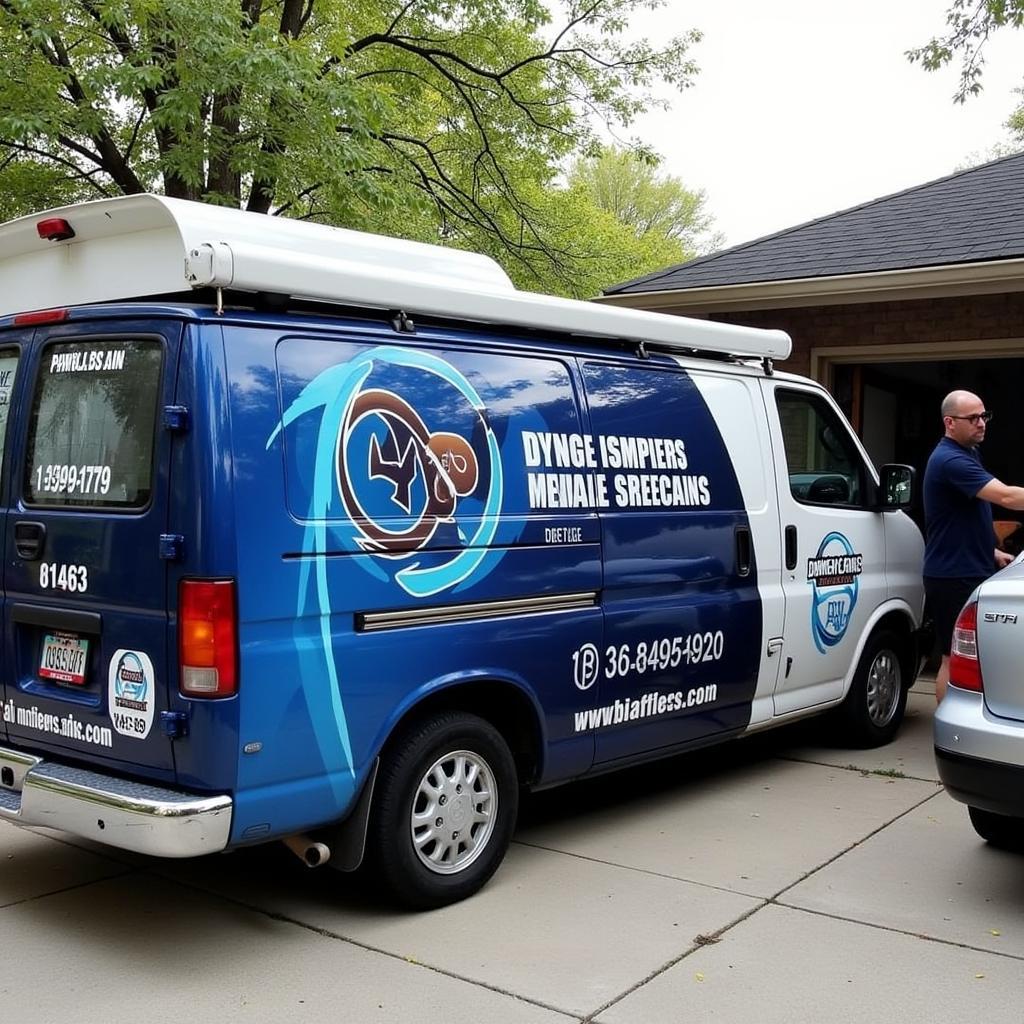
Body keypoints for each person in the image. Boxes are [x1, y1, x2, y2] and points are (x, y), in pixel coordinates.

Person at [923, 390, 1024, 704]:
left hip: (968, 567)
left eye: (984, 416)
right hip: (953, 577)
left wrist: (990, 551)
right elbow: (1007, 497)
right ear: (950, 422)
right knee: (954, 659)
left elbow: (960, 515)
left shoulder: (968, 453)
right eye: (973, 418)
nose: (982, 423)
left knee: (969, 658)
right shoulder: (950, 459)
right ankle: (949, 725)